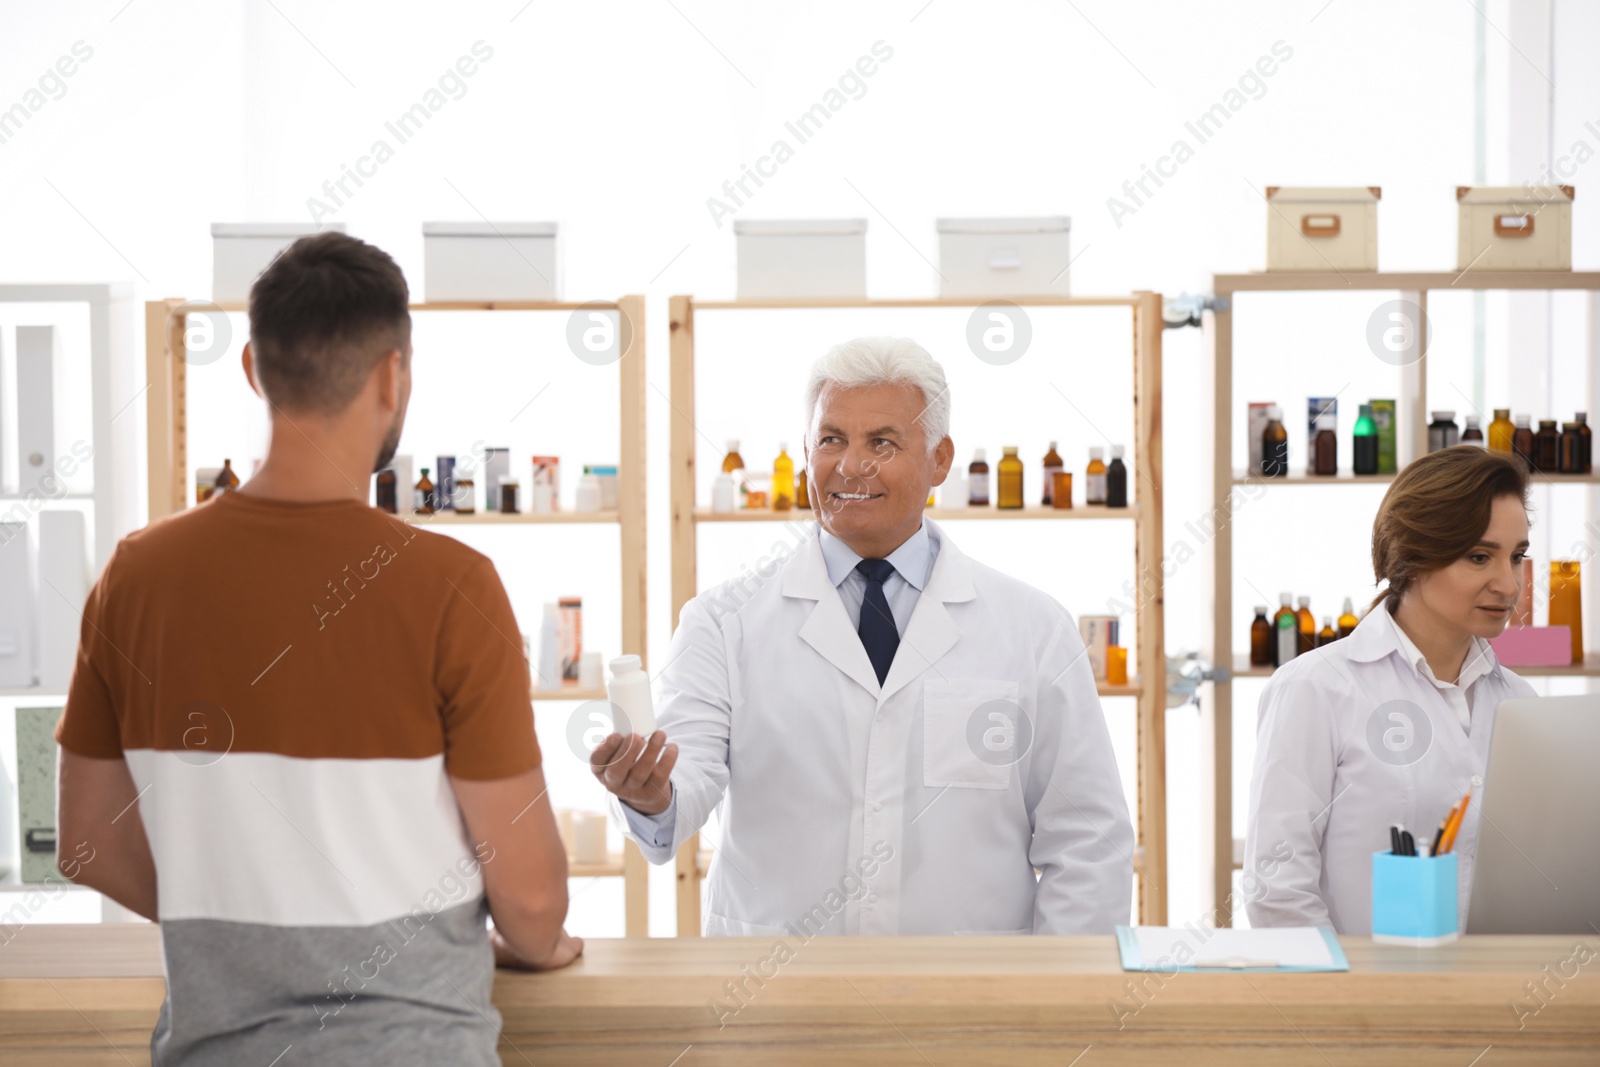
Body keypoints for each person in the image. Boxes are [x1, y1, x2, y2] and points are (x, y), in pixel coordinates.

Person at [55, 232, 580, 1066]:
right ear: (393, 377)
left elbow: (84, 839)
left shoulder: (137, 576)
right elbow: (532, 900)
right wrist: (536, 935)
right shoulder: (451, 586)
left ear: (255, 371)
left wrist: (233, 925)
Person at [591, 336, 1133, 936]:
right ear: (805, 454)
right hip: (775, 998)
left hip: (971, 1001)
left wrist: (1054, 1005)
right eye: (831, 440)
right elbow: (682, 784)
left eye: (882, 442)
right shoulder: (722, 623)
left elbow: (1087, 840)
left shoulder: (1033, 629)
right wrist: (649, 793)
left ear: (940, 459)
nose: (851, 466)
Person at [1245, 445, 1535, 933]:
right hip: (1360, 1000)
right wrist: (1349, 1001)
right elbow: (1278, 889)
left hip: (1495, 997)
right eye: (1479, 556)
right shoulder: (1317, 690)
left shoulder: (1519, 704)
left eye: (1518, 557)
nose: (1508, 585)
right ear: (1413, 556)